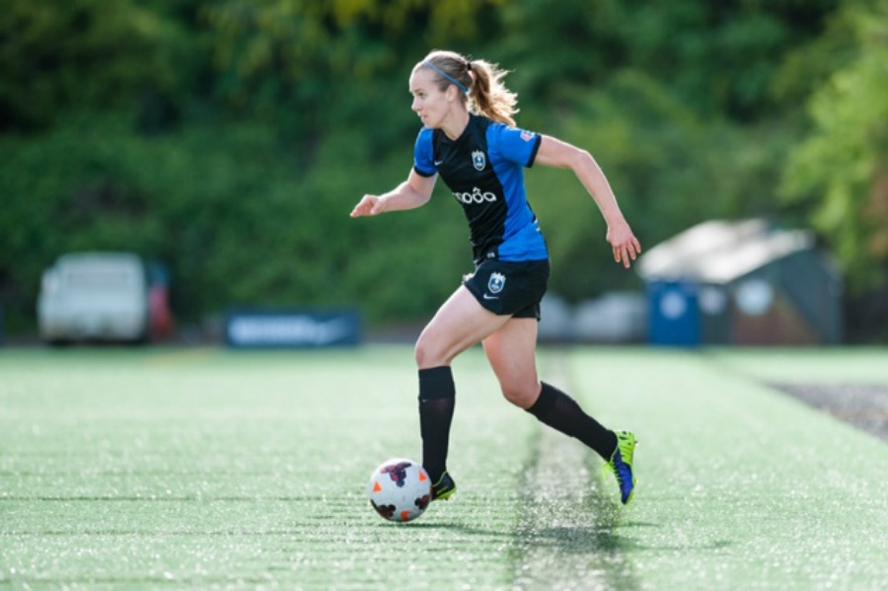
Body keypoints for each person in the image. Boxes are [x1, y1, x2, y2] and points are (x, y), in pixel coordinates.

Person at [350, 50, 642, 505]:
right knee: (522, 390)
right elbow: (416, 191)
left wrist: (615, 221)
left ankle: (434, 475)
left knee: (430, 349)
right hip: (498, 265)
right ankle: (613, 446)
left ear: (453, 94)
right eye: (413, 96)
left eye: (422, 94)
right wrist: (383, 201)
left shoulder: (498, 139)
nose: (415, 105)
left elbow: (579, 158)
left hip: (518, 263)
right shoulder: (429, 142)